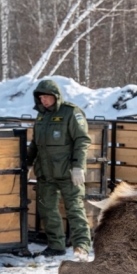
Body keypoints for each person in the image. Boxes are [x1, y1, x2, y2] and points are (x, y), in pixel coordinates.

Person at [26, 79, 92, 260]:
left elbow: (82, 140)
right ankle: (56, 245)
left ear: (56, 96)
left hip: (68, 173)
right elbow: (35, 143)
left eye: (47, 97)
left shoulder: (71, 112)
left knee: (75, 209)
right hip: (46, 173)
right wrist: (28, 163)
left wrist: (78, 166)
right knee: (47, 209)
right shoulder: (41, 116)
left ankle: (82, 247)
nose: (44, 101)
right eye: (41, 98)